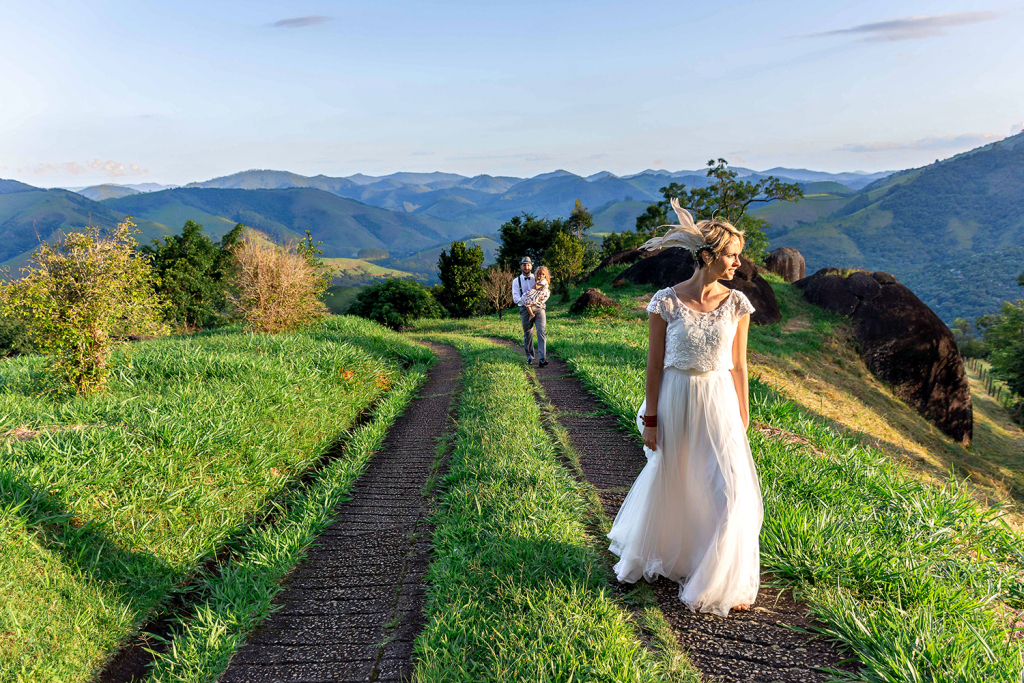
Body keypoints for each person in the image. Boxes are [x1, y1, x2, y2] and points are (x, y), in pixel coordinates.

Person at [607, 198, 762, 618]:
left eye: (738, 256)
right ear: (708, 256)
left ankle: (722, 577)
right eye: (732, 255)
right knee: (675, 478)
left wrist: (743, 418)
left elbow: (741, 366)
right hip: (675, 398)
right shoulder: (665, 302)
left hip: (720, 404)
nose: (738, 264)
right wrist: (651, 420)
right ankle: (670, 557)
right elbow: (654, 365)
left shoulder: (737, 304)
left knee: (730, 492)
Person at [511, 256, 548, 366]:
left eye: (528, 265)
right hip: (525, 309)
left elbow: (545, 289)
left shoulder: (537, 277)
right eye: (524, 265)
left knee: (541, 331)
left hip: (539, 308)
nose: (526, 267)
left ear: (531, 266)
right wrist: (527, 300)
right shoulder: (516, 281)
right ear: (521, 266)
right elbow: (516, 298)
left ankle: (542, 358)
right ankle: (530, 357)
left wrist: (539, 299)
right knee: (528, 334)